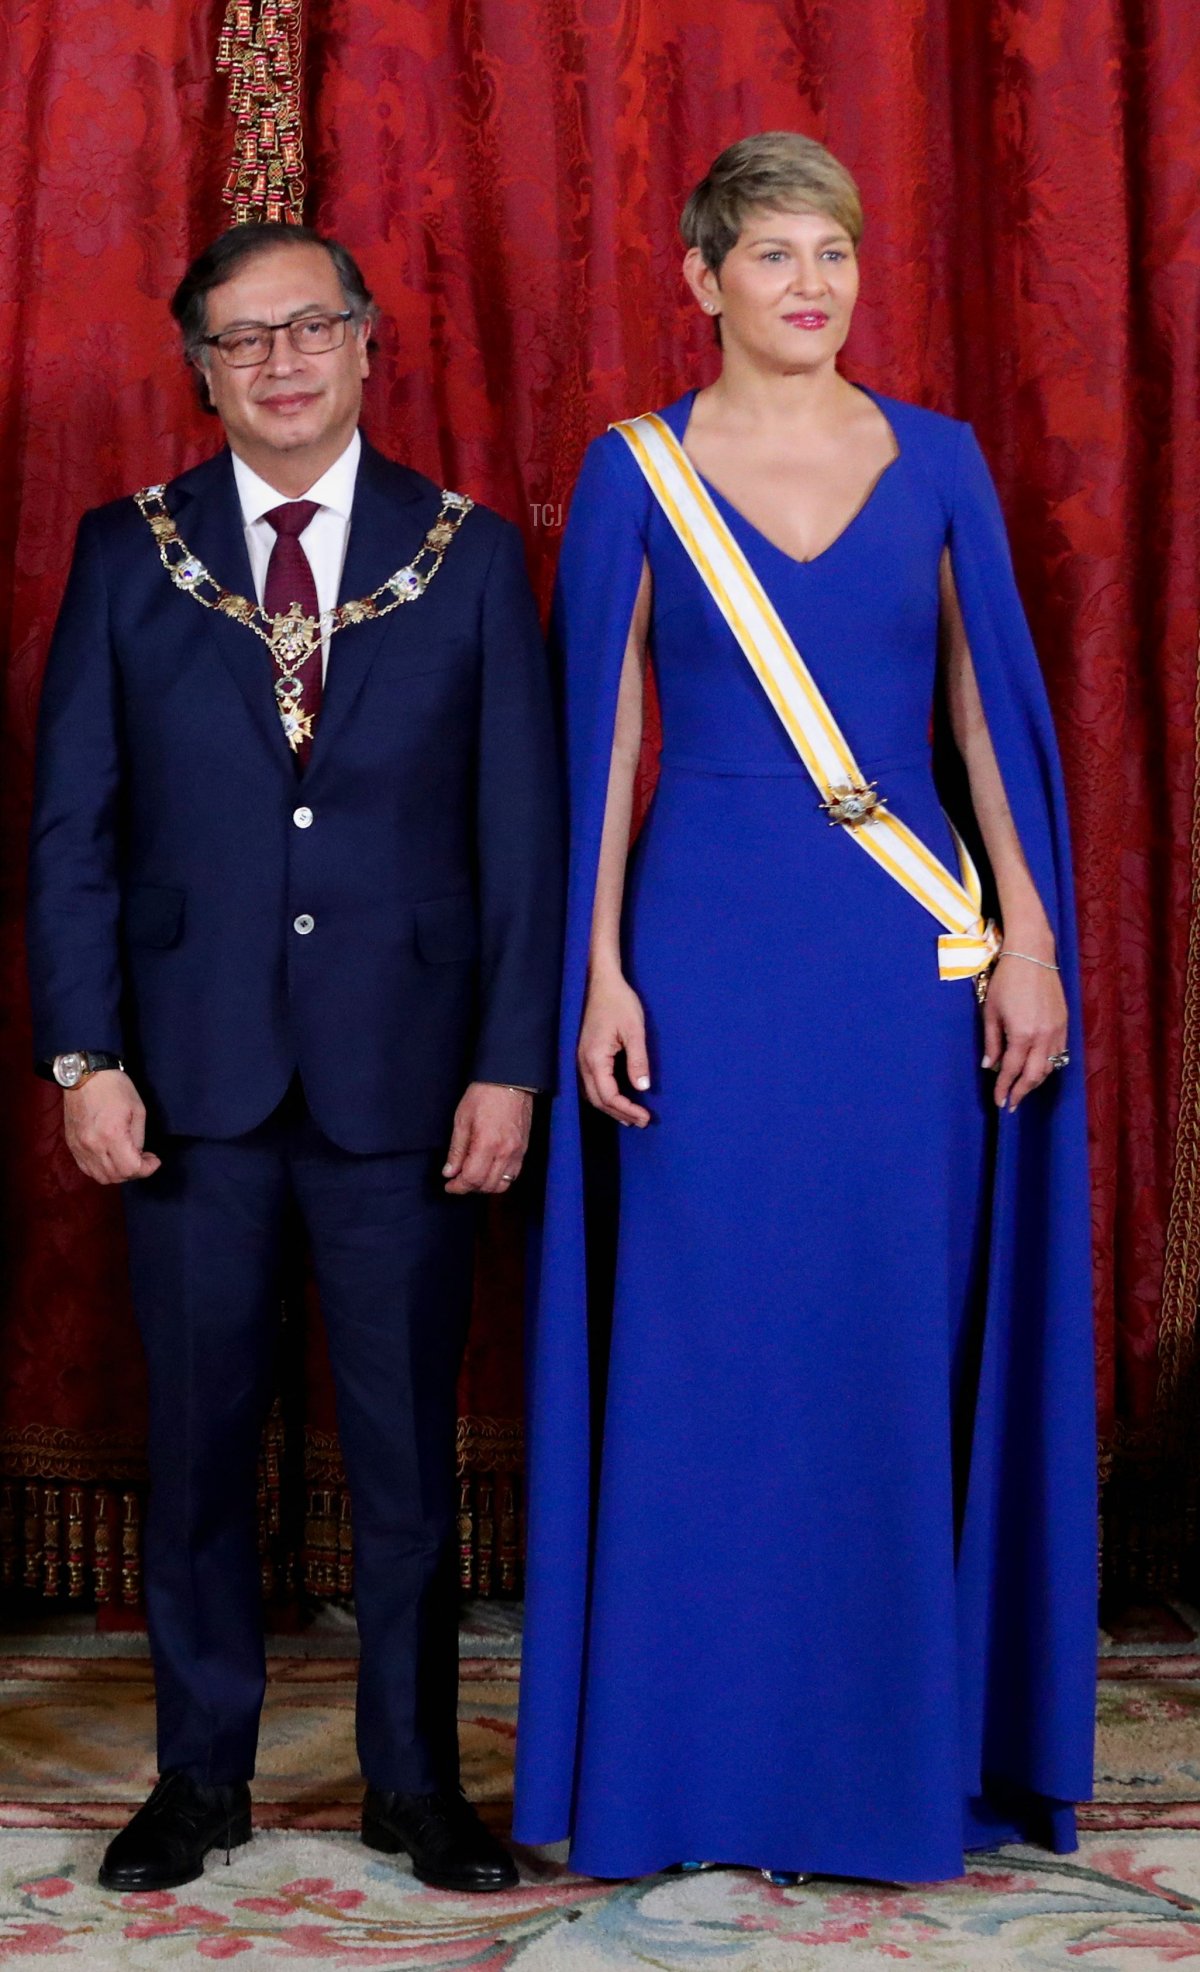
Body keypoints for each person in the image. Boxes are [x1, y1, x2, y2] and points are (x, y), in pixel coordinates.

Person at [514, 133, 1096, 1884]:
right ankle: (684, 1773)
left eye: (831, 251)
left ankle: (882, 1770)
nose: (811, 285)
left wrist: (1036, 939)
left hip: (896, 963)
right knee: (707, 1357)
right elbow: (605, 739)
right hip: (700, 945)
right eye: (773, 254)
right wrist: (598, 970)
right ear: (701, 281)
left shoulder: (940, 463)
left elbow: (989, 718)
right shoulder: (635, 471)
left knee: (876, 1340)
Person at [27, 222, 562, 1895]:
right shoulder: (133, 550)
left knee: (404, 1461)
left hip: (406, 1082)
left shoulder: (466, 554)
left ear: (367, 342)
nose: (281, 363)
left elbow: (524, 837)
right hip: (186, 1081)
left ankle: (414, 1786)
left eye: (309, 328)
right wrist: (81, 1056)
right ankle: (203, 1784)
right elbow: (71, 832)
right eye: (242, 341)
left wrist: (509, 1063)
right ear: (200, 368)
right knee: (200, 1448)